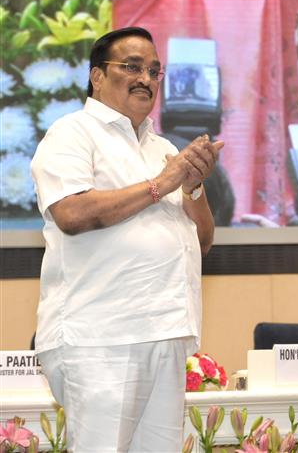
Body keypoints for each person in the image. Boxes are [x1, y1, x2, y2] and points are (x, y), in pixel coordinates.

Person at [30, 26, 224, 451]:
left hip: (167, 330)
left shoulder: (162, 148)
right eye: (131, 66)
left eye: (154, 70)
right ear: (97, 76)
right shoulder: (72, 133)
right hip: (101, 337)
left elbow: (203, 240)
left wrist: (190, 186)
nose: (146, 78)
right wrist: (162, 183)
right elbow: (72, 213)